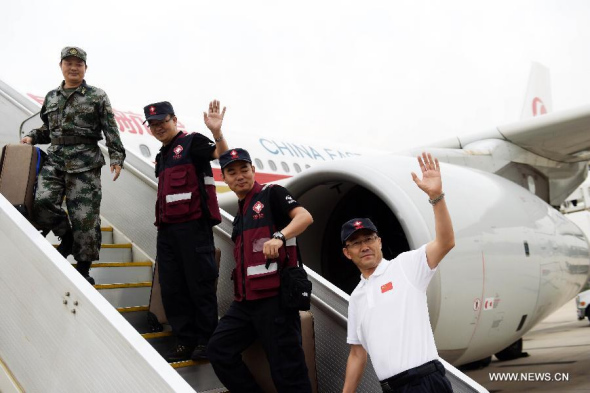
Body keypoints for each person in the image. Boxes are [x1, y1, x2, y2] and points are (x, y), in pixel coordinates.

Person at [342, 152, 455, 393]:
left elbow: (445, 242)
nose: (365, 246)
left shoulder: (406, 266)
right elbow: (356, 353)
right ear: (347, 253)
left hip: (425, 382)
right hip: (391, 388)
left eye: (369, 238)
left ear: (379, 241)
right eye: (356, 243)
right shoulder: (357, 299)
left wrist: (436, 197)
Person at [207, 148, 313, 393]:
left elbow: (305, 217)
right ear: (224, 179)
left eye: (244, 169)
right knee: (218, 350)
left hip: (275, 302)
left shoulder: (272, 194)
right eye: (231, 172)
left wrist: (279, 236)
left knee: (288, 373)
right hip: (244, 304)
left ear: (253, 170)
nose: (239, 176)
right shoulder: (241, 212)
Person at [21, 46, 126, 284]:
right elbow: (48, 130)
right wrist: (32, 137)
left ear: (85, 68)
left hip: (86, 163)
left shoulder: (97, 96)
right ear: (61, 66)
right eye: (68, 63)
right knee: (42, 201)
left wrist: (117, 158)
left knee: (85, 218)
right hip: (56, 159)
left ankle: (83, 268)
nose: (73, 67)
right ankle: (65, 236)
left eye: (78, 64)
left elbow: (110, 129)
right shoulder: (51, 97)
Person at [146, 100, 228, 362]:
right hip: (167, 232)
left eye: (163, 121)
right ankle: (184, 341)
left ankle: (206, 341)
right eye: (154, 124)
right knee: (172, 288)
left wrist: (217, 132)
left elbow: (222, 156)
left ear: (174, 119)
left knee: (199, 285)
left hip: (193, 228)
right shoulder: (162, 156)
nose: (159, 127)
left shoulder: (192, 143)